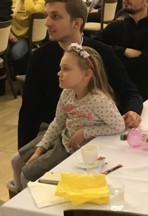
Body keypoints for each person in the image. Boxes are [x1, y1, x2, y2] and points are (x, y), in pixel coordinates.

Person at [17, 0, 142, 150]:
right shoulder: (39, 57)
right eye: (46, 16)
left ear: (76, 23)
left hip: (99, 135)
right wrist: (26, 149)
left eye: (55, 16)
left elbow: (129, 90)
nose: (47, 23)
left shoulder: (101, 52)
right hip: (55, 134)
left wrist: (133, 110)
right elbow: (29, 111)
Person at [12, 44, 125, 191]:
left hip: (73, 148)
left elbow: (119, 126)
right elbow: (58, 122)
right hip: (62, 136)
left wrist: (85, 132)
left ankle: (21, 202)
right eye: (60, 68)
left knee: (26, 176)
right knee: (16, 161)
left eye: (66, 69)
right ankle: (15, 195)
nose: (59, 73)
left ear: (87, 74)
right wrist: (41, 148)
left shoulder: (99, 101)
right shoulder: (67, 93)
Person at [8, 0, 45, 73]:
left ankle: (24, 76)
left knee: (16, 53)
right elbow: (6, 17)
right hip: (11, 35)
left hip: (27, 38)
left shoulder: (41, 0)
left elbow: (30, 10)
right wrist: (9, 34)